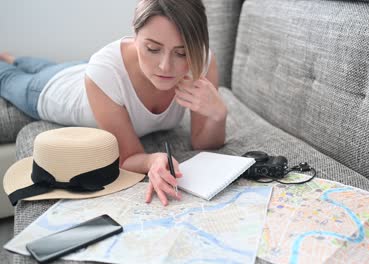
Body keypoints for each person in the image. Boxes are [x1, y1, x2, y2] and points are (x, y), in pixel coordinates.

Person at [0, 0, 227, 206]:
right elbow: (127, 158)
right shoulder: (105, 71)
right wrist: (152, 160)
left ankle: (15, 58)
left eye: (182, 53)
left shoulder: (202, 62)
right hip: (53, 90)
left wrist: (218, 114)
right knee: (9, 78)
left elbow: (203, 144)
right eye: (153, 49)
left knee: (41, 66)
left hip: (88, 72)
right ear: (134, 34)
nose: (166, 67)